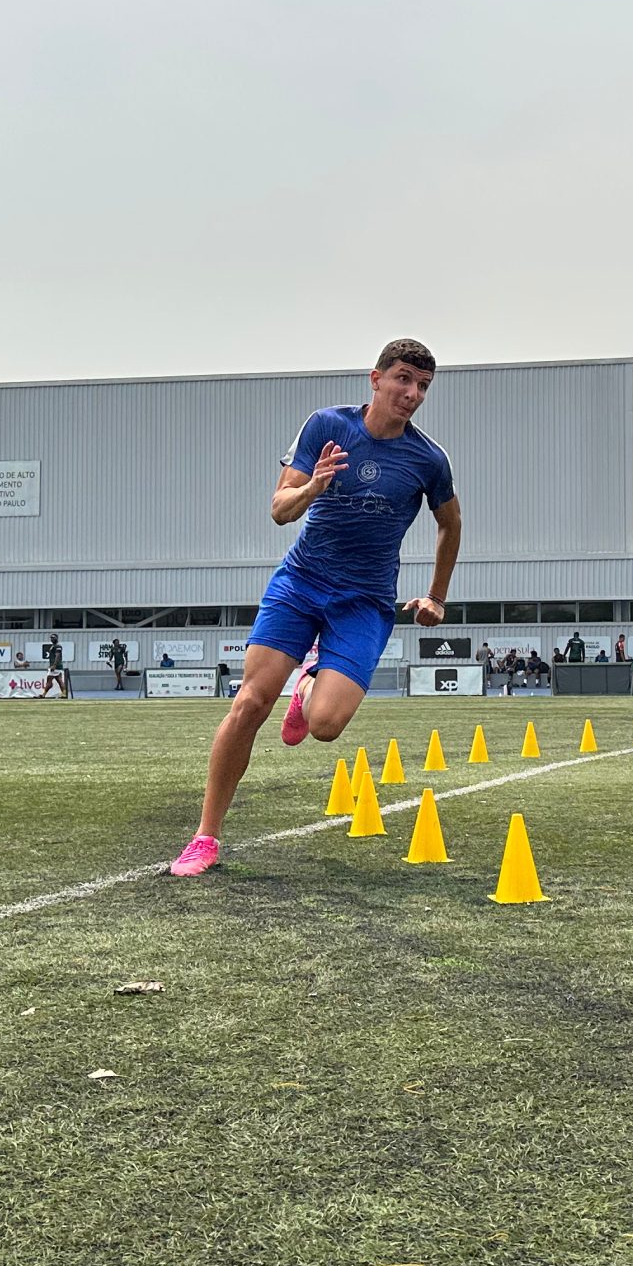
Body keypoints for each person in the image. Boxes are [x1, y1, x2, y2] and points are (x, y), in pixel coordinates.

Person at [168, 339, 460, 876]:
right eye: (402, 379)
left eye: (422, 386)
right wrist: (315, 488)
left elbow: (449, 523)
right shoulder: (328, 426)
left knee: (325, 725)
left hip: (365, 601)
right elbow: (280, 510)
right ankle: (205, 837)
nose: (412, 393)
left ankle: (306, 687)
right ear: (375, 379)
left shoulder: (428, 459)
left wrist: (436, 596)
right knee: (251, 703)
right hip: (301, 584)